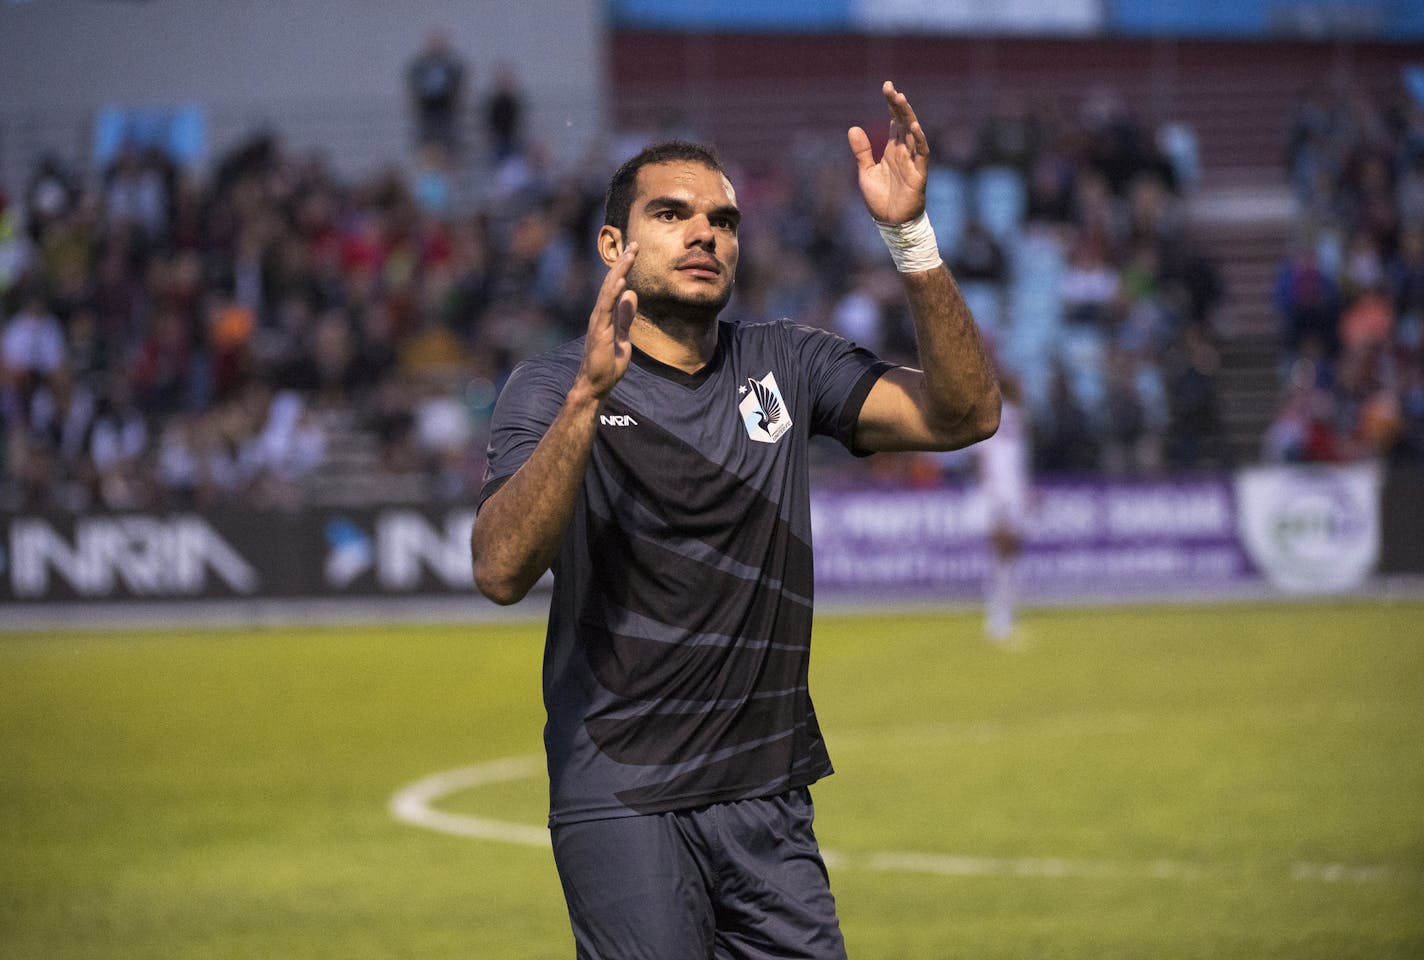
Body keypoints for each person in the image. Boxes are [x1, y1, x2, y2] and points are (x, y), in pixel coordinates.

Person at [470, 81, 1000, 959]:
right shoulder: (549, 387)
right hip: (624, 796)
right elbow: (499, 571)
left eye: (722, 219)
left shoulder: (786, 362)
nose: (704, 233)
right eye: (672, 214)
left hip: (769, 798)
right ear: (614, 245)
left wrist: (909, 237)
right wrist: (586, 404)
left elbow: (966, 416)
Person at [973, 368, 1032, 643]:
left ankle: (1002, 614)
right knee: (1005, 552)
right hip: (1002, 492)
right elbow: (993, 458)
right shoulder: (1005, 416)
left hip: (1004, 490)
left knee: (1006, 554)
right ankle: (999, 618)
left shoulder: (1006, 417)